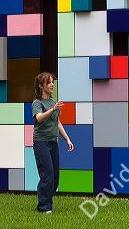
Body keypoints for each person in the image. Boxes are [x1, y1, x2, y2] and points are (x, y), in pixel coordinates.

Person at [32, 72, 75, 213]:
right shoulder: (37, 103)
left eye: (52, 82)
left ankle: (45, 202)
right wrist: (53, 109)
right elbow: (39, 118)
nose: (52, 85)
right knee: (47, 174)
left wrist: (67, 139)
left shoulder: (52, 102)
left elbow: (57, 122)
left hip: (52, 142)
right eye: (49, 82)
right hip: (41, 142)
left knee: (55, 177)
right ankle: (43, 207)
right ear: (41, 86)